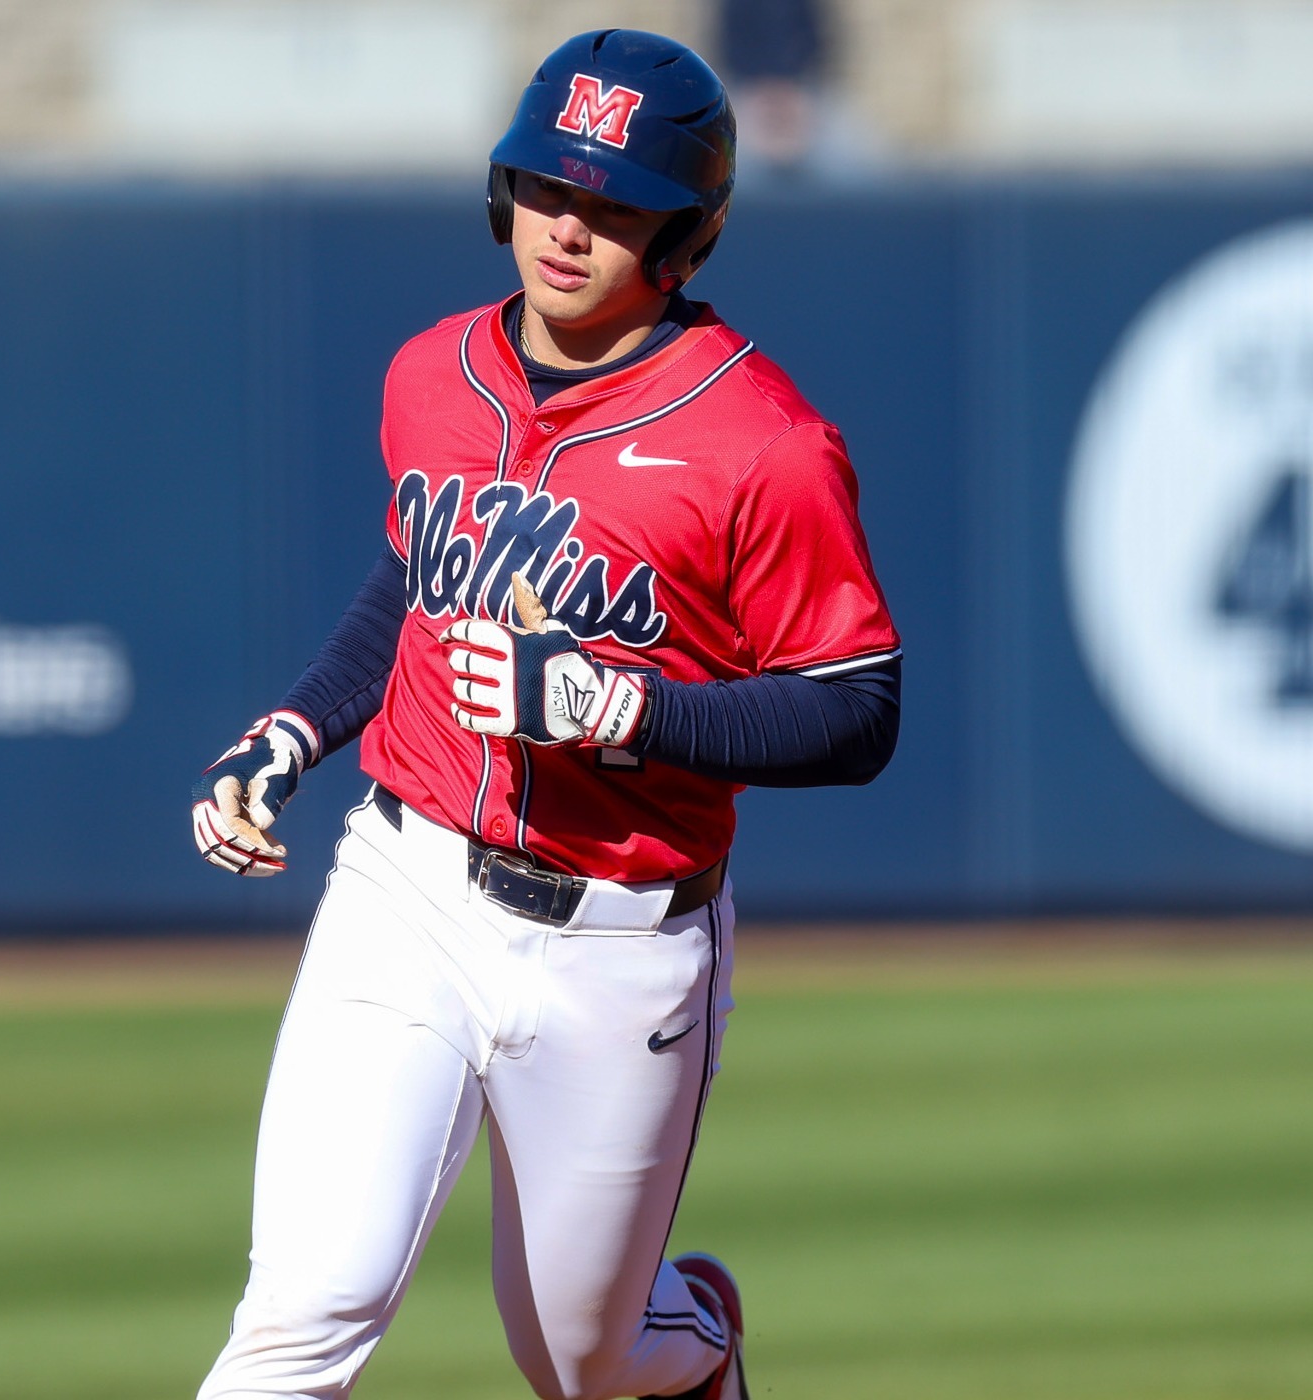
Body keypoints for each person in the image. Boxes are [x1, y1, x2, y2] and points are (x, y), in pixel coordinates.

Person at [190, 27, 901, 1400]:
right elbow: (412, 577)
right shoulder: (429, 374)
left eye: (618, 203)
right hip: (407, 884)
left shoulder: (762, 442)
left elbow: (856, 709)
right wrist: (289, 734)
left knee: (586, 1357)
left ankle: (696, 1349)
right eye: (547, 186)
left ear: (686, 235)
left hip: (622, 942)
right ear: (502, 189)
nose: (569, 228)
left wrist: (618, 708)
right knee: (301, 1317)